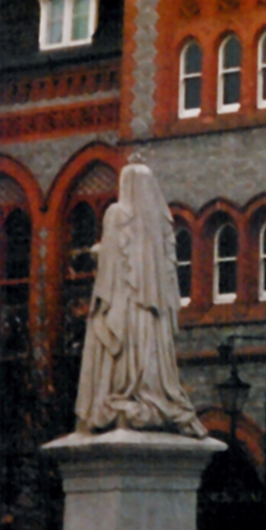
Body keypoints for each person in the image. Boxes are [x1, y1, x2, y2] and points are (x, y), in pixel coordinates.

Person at [75, 162, 206, 436]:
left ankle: (125, 393)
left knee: (119, 356)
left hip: (125, 306)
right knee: (149, 362)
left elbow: (112, 265)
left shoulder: (117, 214)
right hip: (153, 315)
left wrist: (100, 256)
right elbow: (166, 277)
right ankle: (151, 393)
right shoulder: (160, 224)